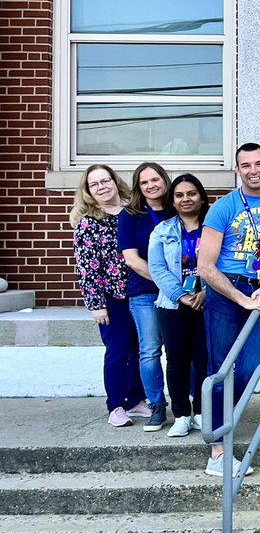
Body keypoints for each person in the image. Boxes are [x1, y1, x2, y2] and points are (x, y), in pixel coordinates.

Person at [197, 143, 260, 477]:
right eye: (245, 165)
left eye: (258, 164)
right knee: (220, 369)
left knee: (250, 367)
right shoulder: (222, 208)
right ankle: (218, 451)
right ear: (237, 170)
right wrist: (242, 298)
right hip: (226, 293)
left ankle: (219, 422)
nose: (253, 170)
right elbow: (205, 267)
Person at [72, 165, 146, 427]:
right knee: (118, 350)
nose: (102, 187)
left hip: (139, 291)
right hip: (111, 297)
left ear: (115, 182)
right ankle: (115, 405)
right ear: (88, 191)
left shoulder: (134, 211)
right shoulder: (89, 223)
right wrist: (96, 305)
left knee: (142, 348)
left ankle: (136, 400)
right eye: (95, 184)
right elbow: (86, 267)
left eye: (106, 180)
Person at [148, 174, 211, 438]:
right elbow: (157, 268)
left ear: (201, 196)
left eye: (191, 193)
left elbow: (227, 262)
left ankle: (200, 413)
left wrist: (207, 292)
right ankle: (182, 415)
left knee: (204, 358)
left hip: (208, 302)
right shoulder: (162, 230)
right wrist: (180, 295)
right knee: (176, 360)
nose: (186, 199)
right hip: (173, 305)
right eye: (179, 195)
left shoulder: (215, 226)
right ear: (173, 201)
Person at [117, 161, 174, 432]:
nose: (151, 185)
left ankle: (192, 407)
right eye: (144, 182)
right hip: (145, 292)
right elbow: (132, 259)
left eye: (155, 179)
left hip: (182, 293)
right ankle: (156, 405)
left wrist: (178, 288)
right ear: (139, 186)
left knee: (184, 350)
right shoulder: (130, 215)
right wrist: (166, 282)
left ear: (164, 180)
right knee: (150, 349)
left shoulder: (178, 208)